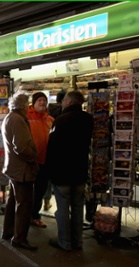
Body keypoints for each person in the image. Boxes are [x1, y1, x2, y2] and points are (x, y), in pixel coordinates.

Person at [46, 90, 93, 251]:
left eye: (64, 100)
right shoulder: (88, 119)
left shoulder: (60, 121)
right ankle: (78, 242)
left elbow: (52, 147)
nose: (63, 102)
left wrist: (50, 171)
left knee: (63, 209)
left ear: (70, 102)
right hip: (80, 171)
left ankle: (65, 242)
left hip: (62, 172)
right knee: (78, 208)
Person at [1, 94, 39, 251]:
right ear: (23, 106)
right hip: (21, 169)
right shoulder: (17, 120)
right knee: (24, 204)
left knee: (13, 201)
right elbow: (22, 147)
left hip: (14, 167)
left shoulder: (10, 117)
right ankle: (19, 238)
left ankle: (9, 231)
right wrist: (33, 158)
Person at [27, 92, 54, 228]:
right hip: (31, 161)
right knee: (27, 191)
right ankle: (24, 216)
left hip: (45, 162)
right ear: (34, 102)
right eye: (39, 100)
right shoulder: (26, 117)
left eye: (44, 100)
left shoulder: (50, 120)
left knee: (40, 191)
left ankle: (34, 216)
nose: (42, 103)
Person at [44, 89, 65, 210]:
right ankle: (60, 205)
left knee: (47, 179)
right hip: (59, 149)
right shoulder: (63, 112)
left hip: (47, 146)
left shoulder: (48, 111)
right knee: (57, 179)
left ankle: (46, 202)